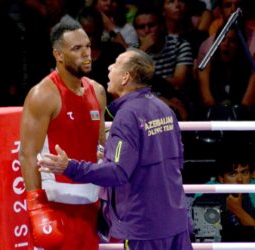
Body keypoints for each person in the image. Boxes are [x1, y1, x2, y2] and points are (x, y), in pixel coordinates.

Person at [38, 48, 193, 250]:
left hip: (145, 228)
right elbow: (176, 159)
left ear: (125, 77)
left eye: (116, 64)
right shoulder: (163, 108)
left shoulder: (127, 115)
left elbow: (118, 173)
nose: (109, 67)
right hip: (175, 220)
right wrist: (112, 153)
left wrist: (70, 167)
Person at [19, 21, 106, 250]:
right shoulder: (43, 95)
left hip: (90, 206)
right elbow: (27, 155)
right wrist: (37, 209)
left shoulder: (97, 91)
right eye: (76, 48)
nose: (86, 53)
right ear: (58, 54)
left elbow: (101, 146)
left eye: (87, 46)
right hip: (56, 207)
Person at [193, 144, 255, 241]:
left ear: (251, 175)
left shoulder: (250, 193)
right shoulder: (207, 199)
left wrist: (238, 210)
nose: (240, 179)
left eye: (244, 173)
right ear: (221, 179)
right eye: (232, 174)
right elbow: (206, 242)